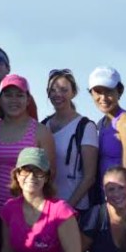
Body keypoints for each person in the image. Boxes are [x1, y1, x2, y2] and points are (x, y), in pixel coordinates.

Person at [0, 74, 55, 214]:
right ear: (0, 99)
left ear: (28, 99)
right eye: (8, 95)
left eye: (19, 95)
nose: (14, 100)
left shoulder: (41, 132)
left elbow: (51, 173)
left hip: (26, 213)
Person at [43, 69, 99, 215]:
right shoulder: (42, 126)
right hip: (46, 209)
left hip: (76, 210)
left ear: (73, 93)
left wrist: (66, 208)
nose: (57, 94)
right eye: (53, 90)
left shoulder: (86, 127)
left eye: (63, 90)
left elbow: (89, 177)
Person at [89, 66, 126, 195]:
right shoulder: (101, 123)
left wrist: (122, 197)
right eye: (98, 92)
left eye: (108, 91)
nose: (103, 97)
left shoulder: (124, 121)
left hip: (123, 197)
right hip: (107, 196)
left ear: (119, 91)